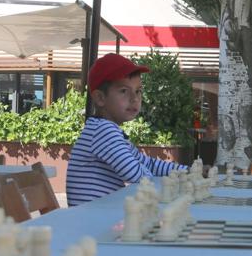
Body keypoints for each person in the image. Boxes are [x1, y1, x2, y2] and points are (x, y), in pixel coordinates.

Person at [66, 53, 187, 206]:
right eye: (124, 91)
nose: (134, 98)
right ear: (100, 98)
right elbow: (136, 175)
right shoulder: (103, 131)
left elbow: (148, 164)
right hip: (92, 221)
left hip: (97, 215)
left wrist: (186, 172)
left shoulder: (108, 131)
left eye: (138, 91)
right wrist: (174, 183)